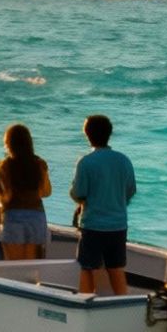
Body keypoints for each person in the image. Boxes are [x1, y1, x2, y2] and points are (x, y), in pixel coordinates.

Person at [70, 113, 137, 295]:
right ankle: (123, 304)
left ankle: (84, 304)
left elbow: (79, 193)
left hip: (93, 225)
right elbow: (130, 190)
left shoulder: (86, 162)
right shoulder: (123, 160)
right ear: (109, 134)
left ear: (87, 134)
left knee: (87, 267)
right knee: (116, 268)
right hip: (118, 225)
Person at [0, 123, 51, 260]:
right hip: (36, 216)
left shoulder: (4, 166)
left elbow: (4, 197)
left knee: (13, 265)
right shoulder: (39, 164)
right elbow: (46, 192)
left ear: (8, 143)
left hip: (13, 216)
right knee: (31, 266)